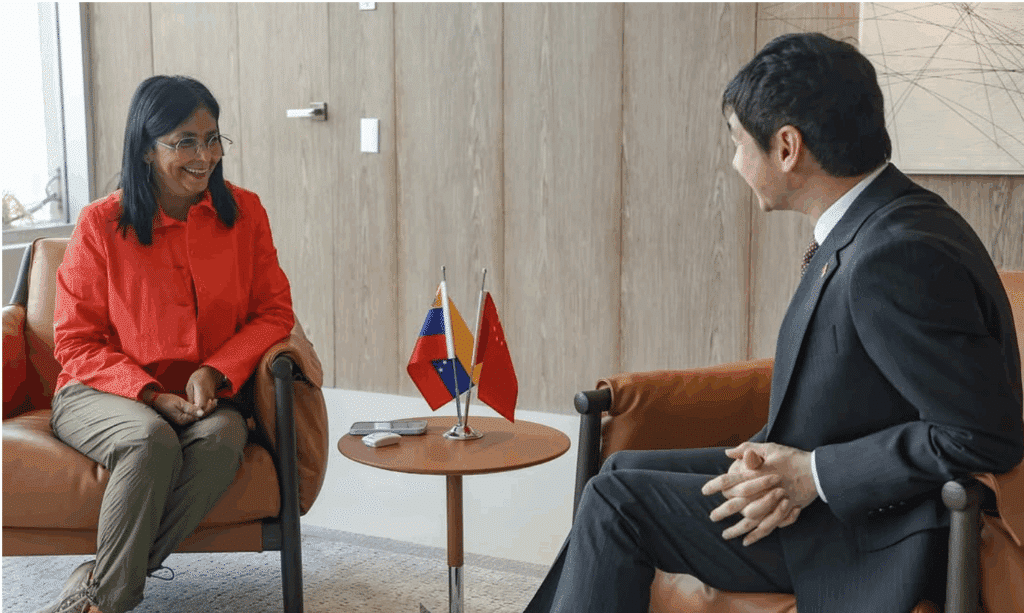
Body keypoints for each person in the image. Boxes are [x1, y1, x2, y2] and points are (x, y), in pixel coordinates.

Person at [524, 32, 1023, 613]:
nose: (735, 161)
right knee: (623, 467)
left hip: (873, 534)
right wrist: (776, 466)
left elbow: (983, 434)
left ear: (787, 147)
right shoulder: (883, 219)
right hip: (834, 496)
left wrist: (813, 474)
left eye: (737, 141)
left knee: (617, 500)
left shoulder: (892, 256)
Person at [37, 75, 295, 613]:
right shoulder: (101, 224)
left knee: (225, 437)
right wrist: (150, 393)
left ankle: (98, 582)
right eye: (185, 142)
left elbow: (274, 313)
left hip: (206, 397)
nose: (206, 156)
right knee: (149, 439)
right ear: (147, 150)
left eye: (213, 138)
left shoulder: (244, 214)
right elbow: (75, 343)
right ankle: (103, 604)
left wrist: (217, 371)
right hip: (98, 392)